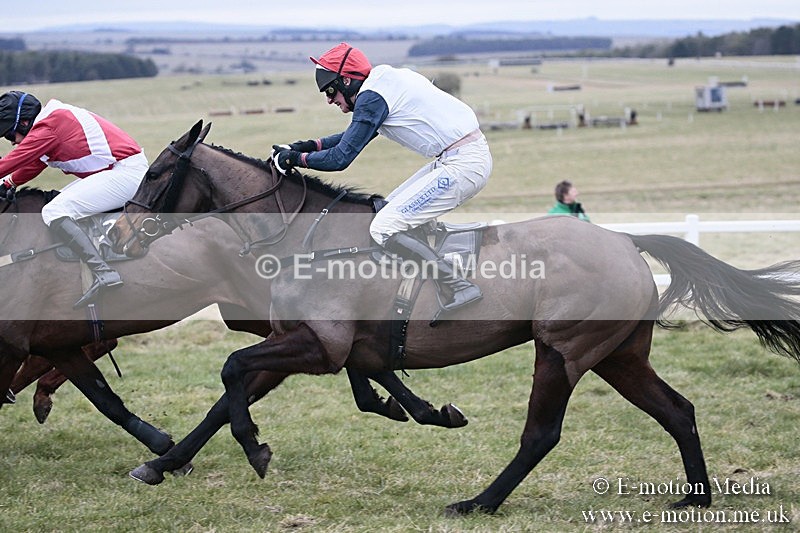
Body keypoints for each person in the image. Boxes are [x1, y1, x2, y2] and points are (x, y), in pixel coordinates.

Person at [271, 43, 492, 311]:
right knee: (385, 212)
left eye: (331, 90)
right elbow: (351, 136)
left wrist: (295, 160)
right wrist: (307, 146)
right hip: (458, 158)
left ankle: (459, 286)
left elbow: (341, 158)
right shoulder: (382, 82)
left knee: (383, 227)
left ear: (347, 80)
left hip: (464, 164)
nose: (330, 99)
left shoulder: (373, 96)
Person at [0, 91, 148, 307]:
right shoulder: (49, 122)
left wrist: (6, 178)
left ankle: (104, 273)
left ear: (24, 122)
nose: (13, 142)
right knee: (59, 205)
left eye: (10, 136)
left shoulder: (49, 125)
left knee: (54, 211)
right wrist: (9, 183)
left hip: (125, 173)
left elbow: (13, 161)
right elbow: (34, 163)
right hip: (118, 171)